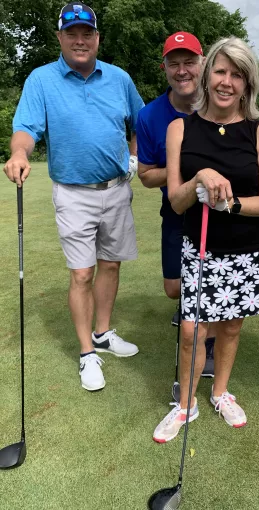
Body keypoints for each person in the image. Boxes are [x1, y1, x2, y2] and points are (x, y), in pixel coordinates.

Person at [3, 2, 144, 392]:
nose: (80, 41)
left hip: (116, 189)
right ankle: (87, 353)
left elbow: (140, 123)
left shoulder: (118, 78)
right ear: (60, 38)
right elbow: (26, 128)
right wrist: (19, 153)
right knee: (82, 273)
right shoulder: (41, 80)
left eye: (87, 34)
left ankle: (102, 333)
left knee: (110, 267)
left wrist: (133, 157)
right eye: (72, 34)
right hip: (72, 193)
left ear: (97, 38)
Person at [152, 36, 259, 443]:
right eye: (221, 71)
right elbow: (175, 201)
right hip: (199, 247)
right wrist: (198, 179)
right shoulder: (179, 128)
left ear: (248, 83)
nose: (227, 82)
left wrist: (231, 205)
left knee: (230, 328)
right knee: (192, 331)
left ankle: (221, 393)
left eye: (237, 74)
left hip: (245, 249)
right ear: (208, 76)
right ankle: (186, 404)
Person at [136, 32, 216, 378]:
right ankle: (189, 306)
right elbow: (145, 175)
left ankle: (207, 349)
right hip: (176, 210)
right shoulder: (151, 115)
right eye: (174, 63)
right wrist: (188, 169)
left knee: (210, 283)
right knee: (174, 287)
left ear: (203, 64)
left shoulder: (222, 102)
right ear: (164, 68)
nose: (182, 70)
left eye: (189, 62)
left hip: (219, 213)